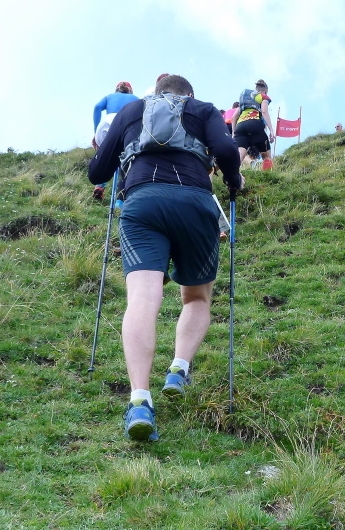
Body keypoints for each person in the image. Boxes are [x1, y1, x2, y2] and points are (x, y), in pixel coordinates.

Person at [87, 75, 243, 442]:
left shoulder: (131, 111)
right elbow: (226, 148)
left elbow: (97, 171)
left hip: (142, 203)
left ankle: (140, 401)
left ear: (157, 93)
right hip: (195, 203)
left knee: (143, 299)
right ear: (189, 94)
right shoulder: (202, 109)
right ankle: (178, 369)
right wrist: (233, 180)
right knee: (196, 297)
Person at [91, 82, 139, 200]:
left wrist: (95, 132)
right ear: (130, 90)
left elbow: (97, 107)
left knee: (106, 155)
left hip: (106, 125)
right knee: (126, 158)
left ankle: (99, 186)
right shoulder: (135, 99)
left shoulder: (109, 97)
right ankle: (122, 196)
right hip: (126, 124)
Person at [232, 79, 275, 170]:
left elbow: (234, 117)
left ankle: (233, 176)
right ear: (266, 91)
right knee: (266, 156)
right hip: (254, 124)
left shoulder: (245, 98)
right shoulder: (263, 97)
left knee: (239, 157)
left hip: (240, 127)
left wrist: (233, 133)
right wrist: (271, 130)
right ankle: (269, 174)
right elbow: (264, 112)